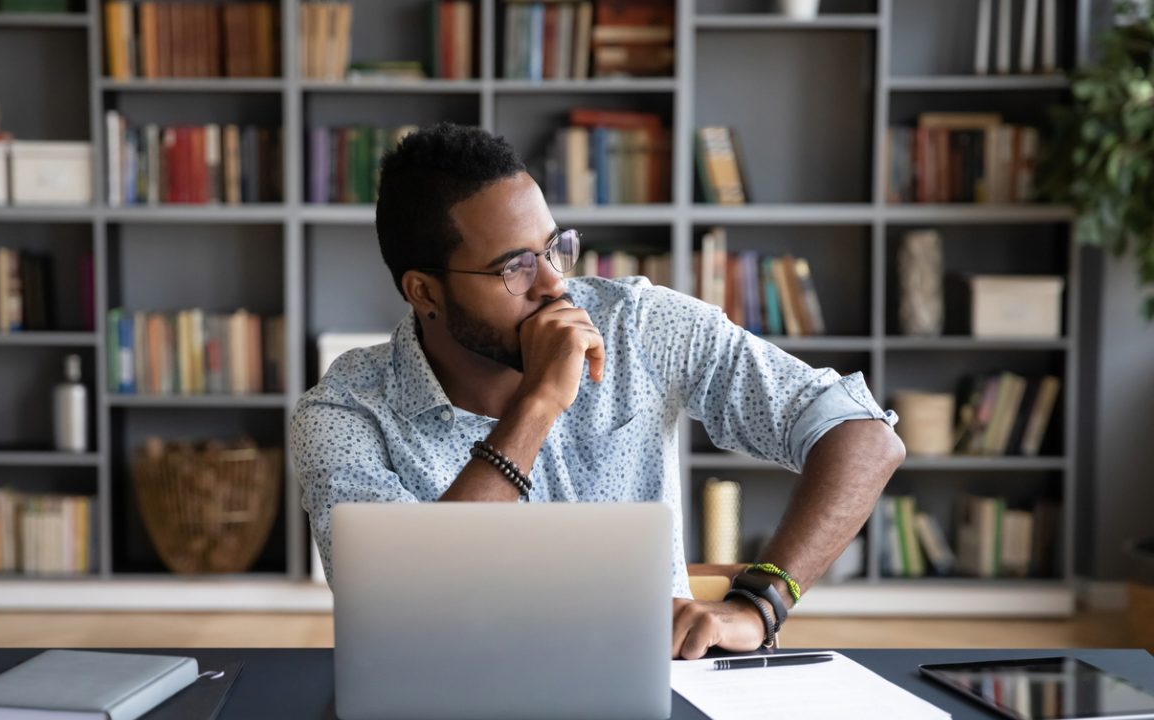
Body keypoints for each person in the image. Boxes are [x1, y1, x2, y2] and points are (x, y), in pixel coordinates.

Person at [290, 122, 905, 660]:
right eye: (514, 267)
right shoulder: (344, 414)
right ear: (423, 291)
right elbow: (397, 610)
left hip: (656, 687)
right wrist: (538, 405)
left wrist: (762, 601)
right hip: (457, 709)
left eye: (555, 247)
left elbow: (865, 436)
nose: (556, 285)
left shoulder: (637, 324)